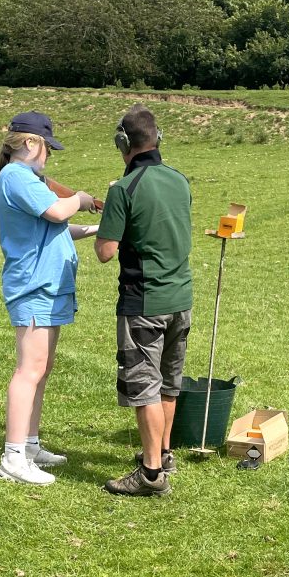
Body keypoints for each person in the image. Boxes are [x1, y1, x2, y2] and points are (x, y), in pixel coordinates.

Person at [0, 111, 98, 485]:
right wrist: (82, 198)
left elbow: (56, 227)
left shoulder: (26, 180)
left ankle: (30, 445)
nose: (49, 156)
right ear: (31, 143)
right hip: (33, 287)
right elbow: (56, 211)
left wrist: (99, 227)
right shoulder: (16, 176)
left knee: (42, 368)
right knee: (29, 371)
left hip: (49, 287)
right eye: (48, 148)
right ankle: (13, 458)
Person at [95, 104, 193, 497]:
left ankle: (151, 473)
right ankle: (163, 453)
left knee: (144, 388)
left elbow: (106, 251)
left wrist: (107, 225)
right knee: (169, 384)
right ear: (158, 139)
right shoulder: (180, 180)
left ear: (123, 143)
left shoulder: (123, 189)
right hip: (181, 298)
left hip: (144, 303)